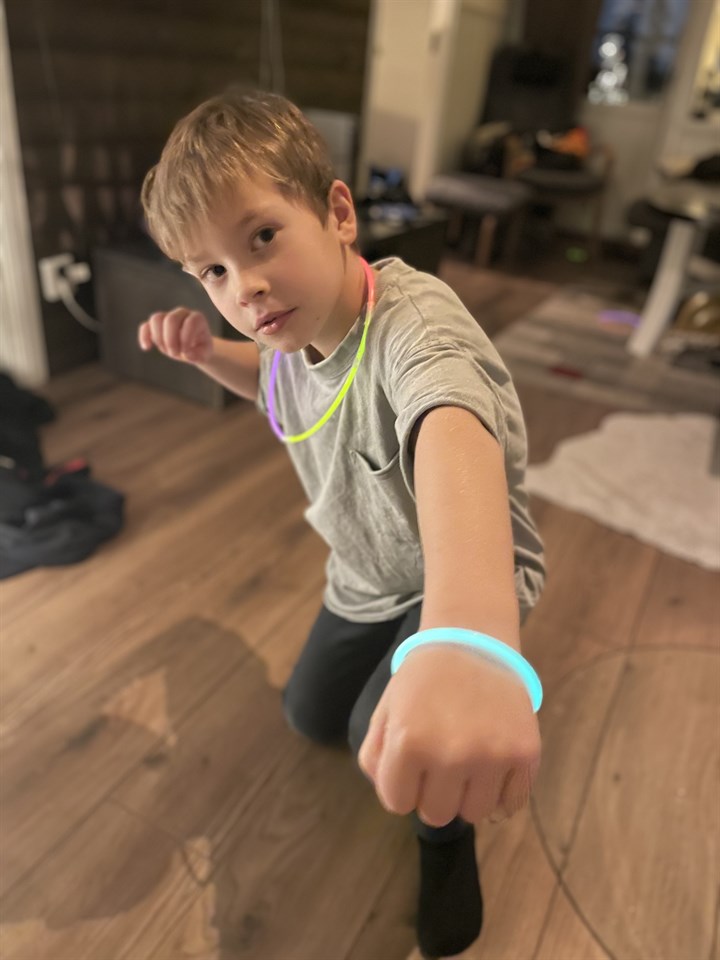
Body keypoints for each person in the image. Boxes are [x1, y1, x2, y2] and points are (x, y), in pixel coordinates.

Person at [138, 89, 545, 959]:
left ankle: (446, 840)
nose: (243, 287)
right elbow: (279, 384)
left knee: (380, 733)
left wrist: (470, 638)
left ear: (338, 212)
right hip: (364, 574)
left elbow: (451, 421)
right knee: (310, 718)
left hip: (448, 581)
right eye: (211, 272)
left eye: (261, 237)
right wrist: (210, 355)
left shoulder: (414, 326)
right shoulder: (290, 331)